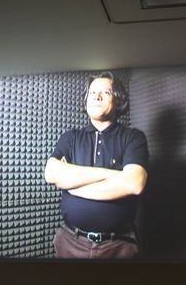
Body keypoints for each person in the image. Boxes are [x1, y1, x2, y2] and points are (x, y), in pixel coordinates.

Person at [44, 72, 149, 259]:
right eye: (92, 93)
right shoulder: (70, 137)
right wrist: (114, 175)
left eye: (105, 92)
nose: (97, 97)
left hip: (118, 245)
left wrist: (72, 186)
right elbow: (51, 174)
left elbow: (134, 184)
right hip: (70, 242)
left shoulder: (133, 137)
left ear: (118, 100)